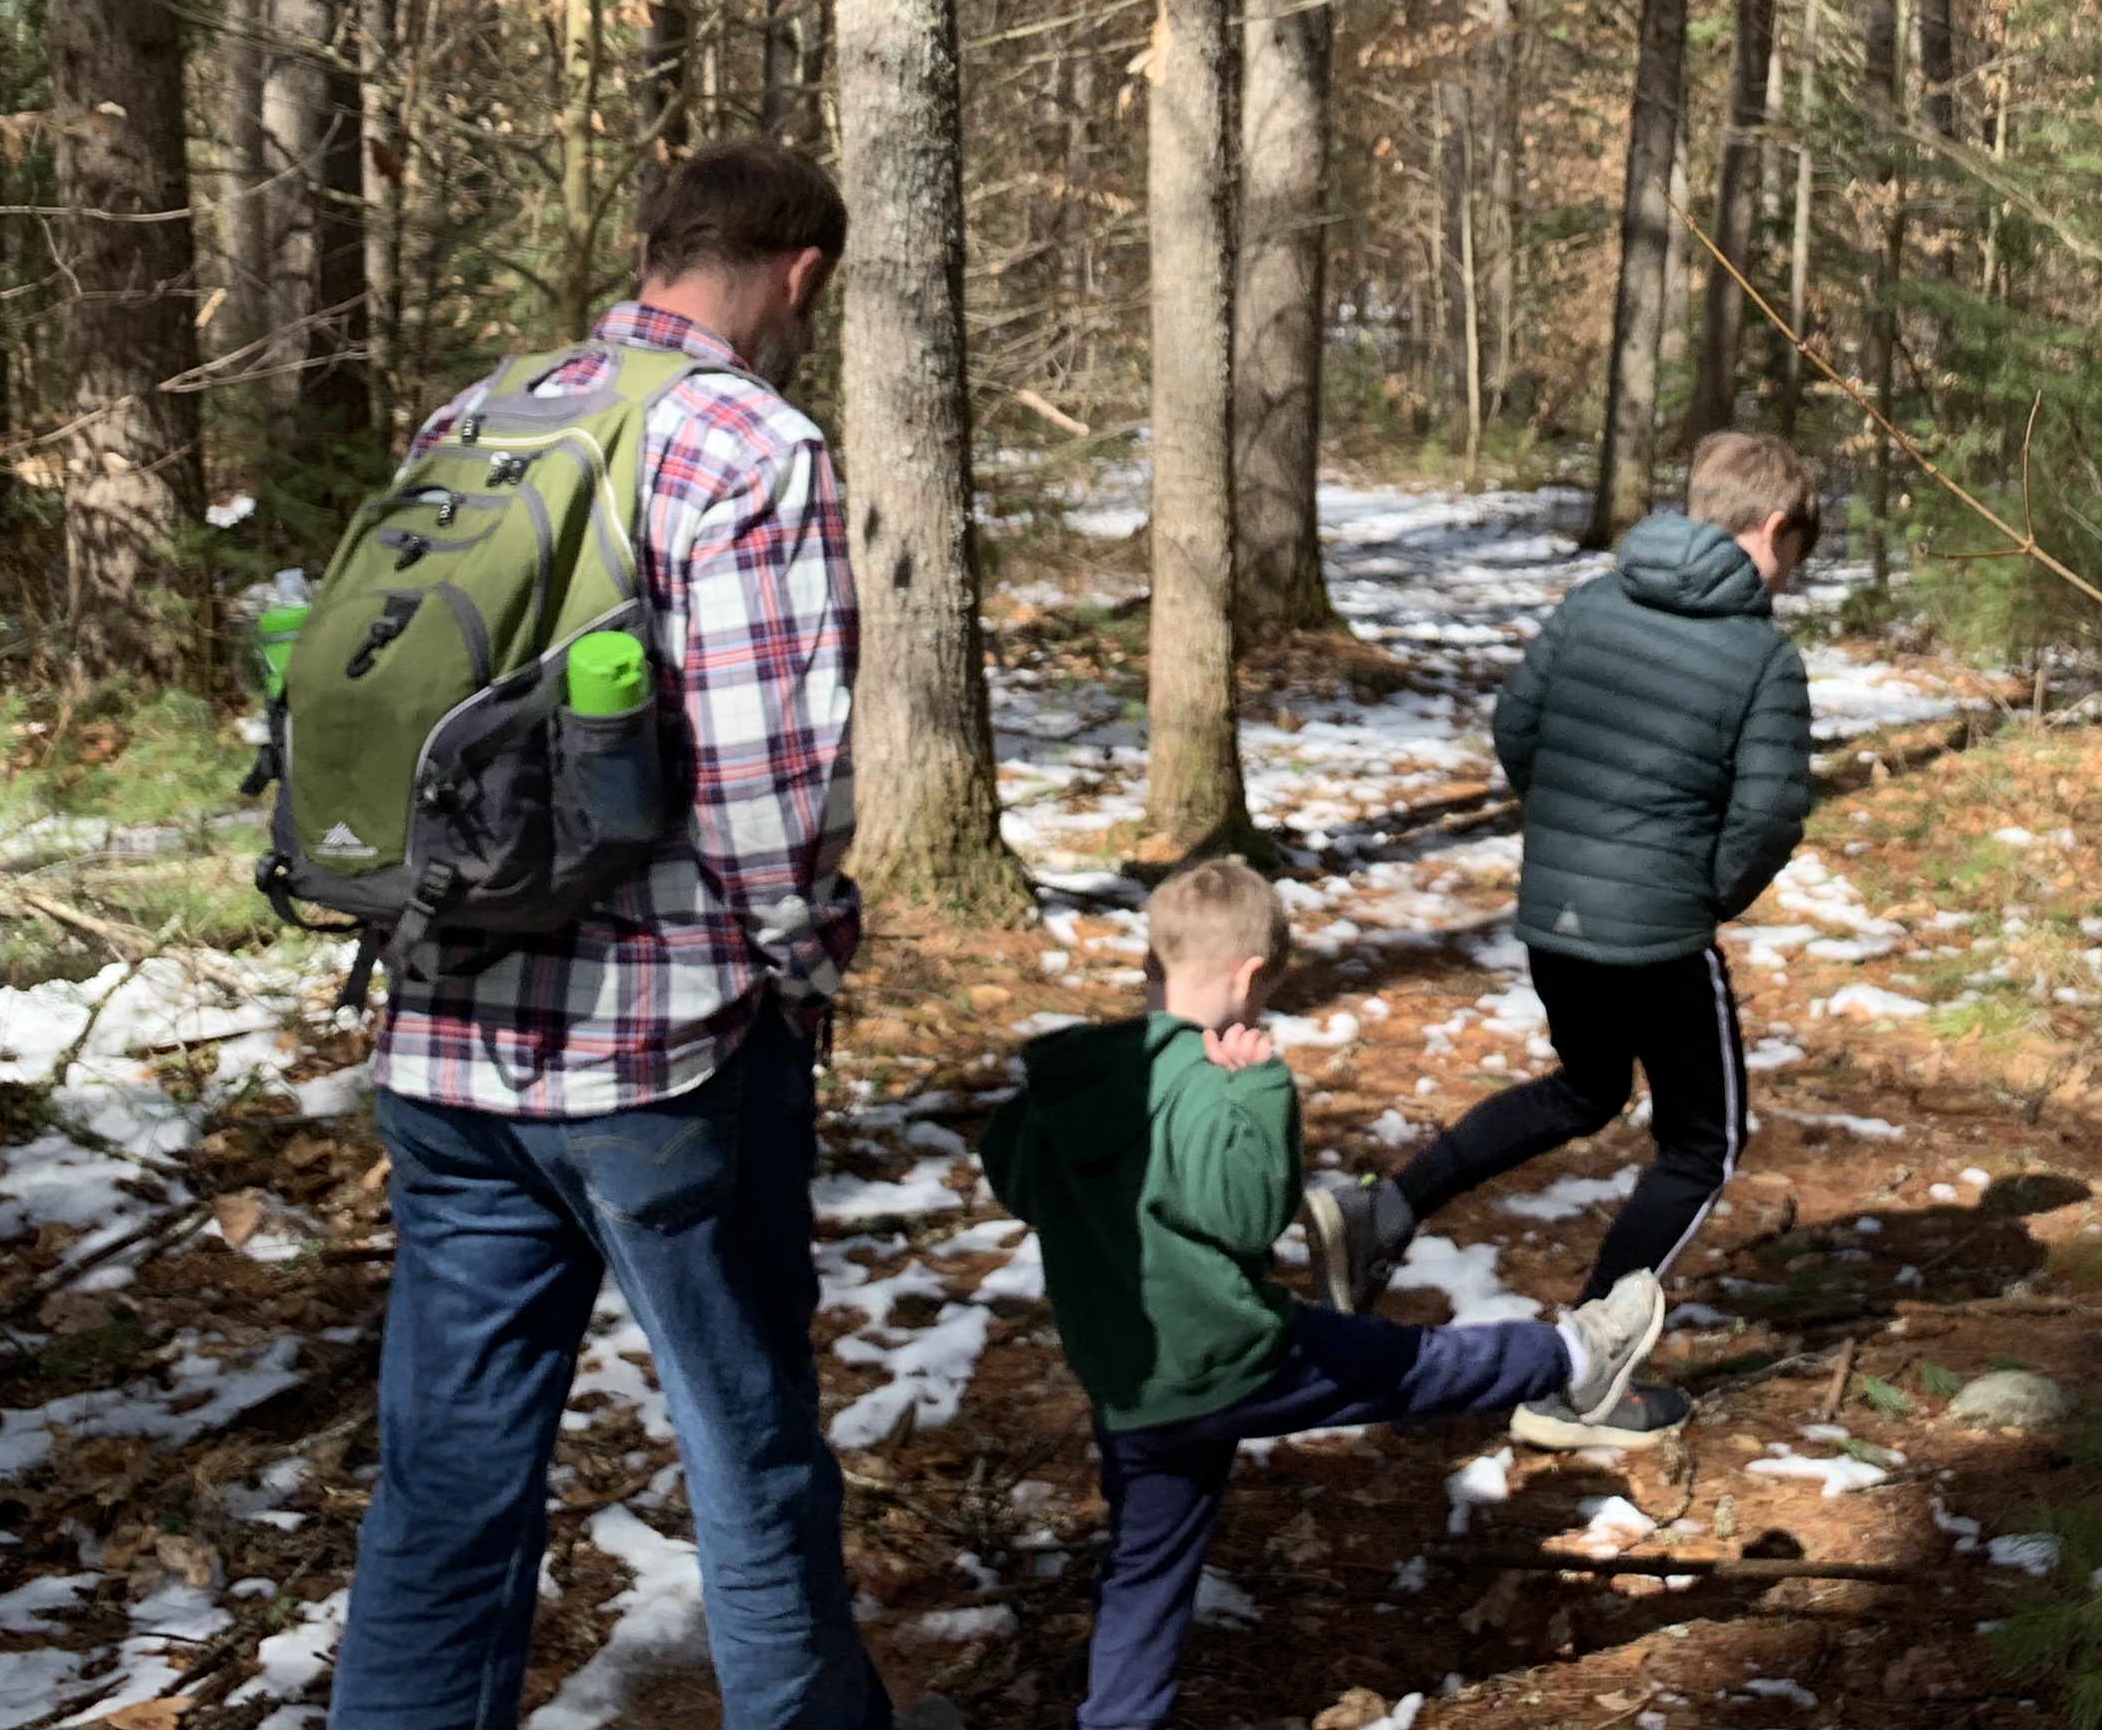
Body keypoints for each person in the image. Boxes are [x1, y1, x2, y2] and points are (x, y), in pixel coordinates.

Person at [326, 140, 900, 1730]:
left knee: (444, 1489)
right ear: (800, 276)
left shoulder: (483, 415)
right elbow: (774, 799)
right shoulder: (751, 445)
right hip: (657, 1068)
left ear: (653, 251)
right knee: (752, 1459)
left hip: (442, 1040)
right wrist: (808, 970)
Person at [981, 861, 1674, 1730]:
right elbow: (1247, 1217)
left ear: (1153, 964)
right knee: (1417, 1364)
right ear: (1249, 977)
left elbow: (1012, 1174)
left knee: (1146, 1567)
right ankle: (1574, 1356)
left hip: (1130, 1385)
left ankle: (1118, 1719)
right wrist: (1260, 1089)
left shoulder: (1082, 1080)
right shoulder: (1209, 1086)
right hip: (1236, 1360)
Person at [1303, 431, 1819, 1343]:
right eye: (1797, 557)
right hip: (1656, 936)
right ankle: (1588, 1359)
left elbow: (1517, 725)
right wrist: (1696, 895)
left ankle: (1386, 1210)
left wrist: (1570, 836)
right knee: (1706, 1144)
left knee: (1587, 1089)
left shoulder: (1590, 604)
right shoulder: (1760, 657)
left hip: (1556, 916)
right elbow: (1768, 817)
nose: (1790, 581)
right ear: (1774, 527)